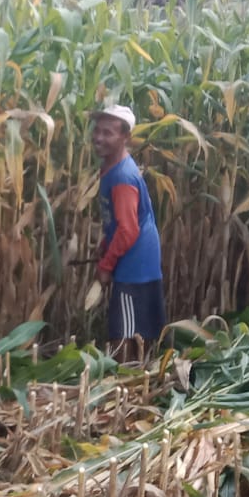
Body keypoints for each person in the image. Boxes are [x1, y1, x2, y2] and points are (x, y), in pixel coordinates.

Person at [90, 105, 166, 358]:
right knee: (129, 329)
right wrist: (105, 246)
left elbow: (128, 229)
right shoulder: (113, 168)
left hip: (135, 265)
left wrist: (106, 266)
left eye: (108, 133)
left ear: (126, 137)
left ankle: (127, 383)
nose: (99, 137)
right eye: (97, 130)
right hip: (133, 259)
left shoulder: (122, 176)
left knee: (125, 335)